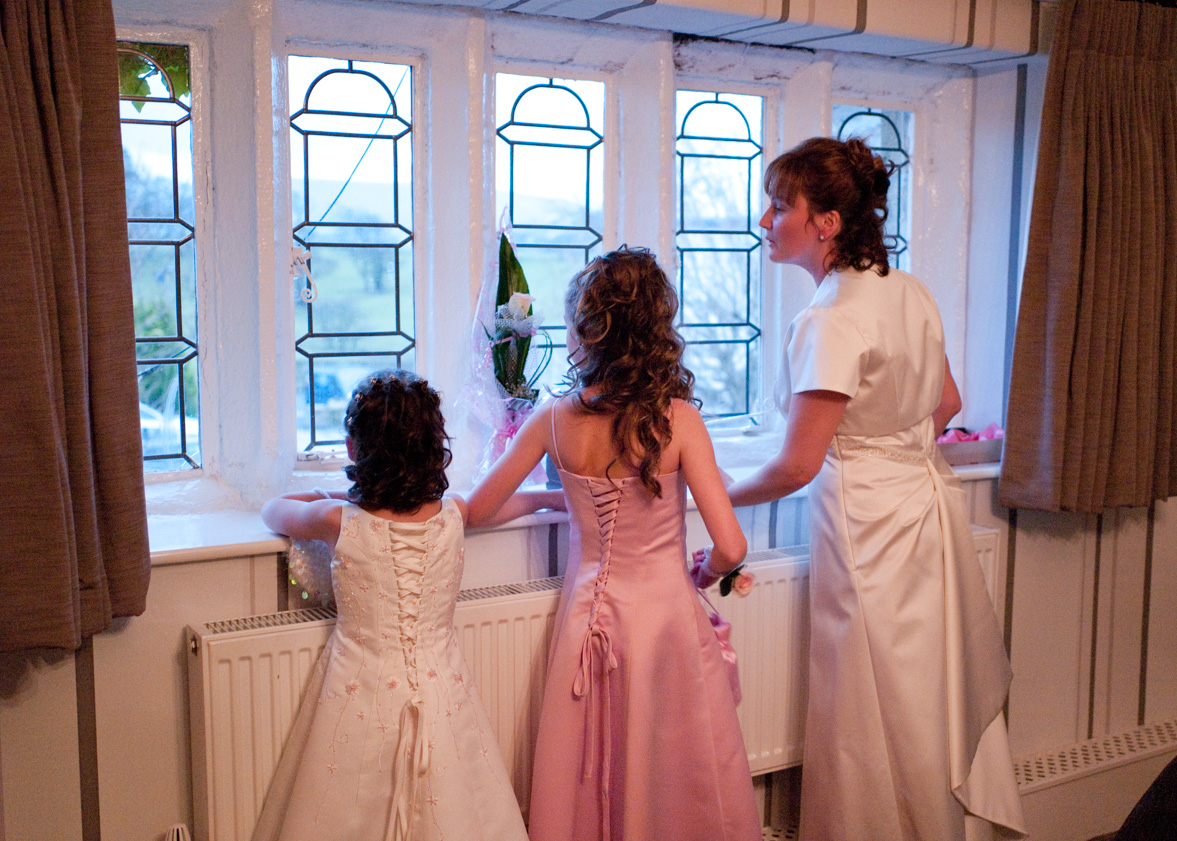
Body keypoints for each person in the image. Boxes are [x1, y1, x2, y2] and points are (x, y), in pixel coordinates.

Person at [723, 137, 1027, 841]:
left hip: (865, 527)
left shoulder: (833, 316)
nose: (764, 221)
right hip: (923, 509)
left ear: (826, 222)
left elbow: (798, 465)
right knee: (921, 697)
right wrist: (894, 445)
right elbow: (947, 402)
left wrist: (711, 493)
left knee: (868, 703)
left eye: (777, 207)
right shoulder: (908, 289)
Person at [465, 246, 761, 841]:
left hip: (586, 619)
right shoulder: (678, 420)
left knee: (592, 765)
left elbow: (478, 508)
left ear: (587, 333)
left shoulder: (552, 418)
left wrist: (563, 499)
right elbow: (730, 545)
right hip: (666, 622)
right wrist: (702, 576)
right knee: (671, 766)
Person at [253, 370, 557, 841]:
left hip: (359, 685)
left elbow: (274, 510)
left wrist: (334, 495)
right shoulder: (454, 514)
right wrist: (549, 499)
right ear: (435, 449)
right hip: (442, 685)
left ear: (355, 450)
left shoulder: (338, 520)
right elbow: (498, 506)